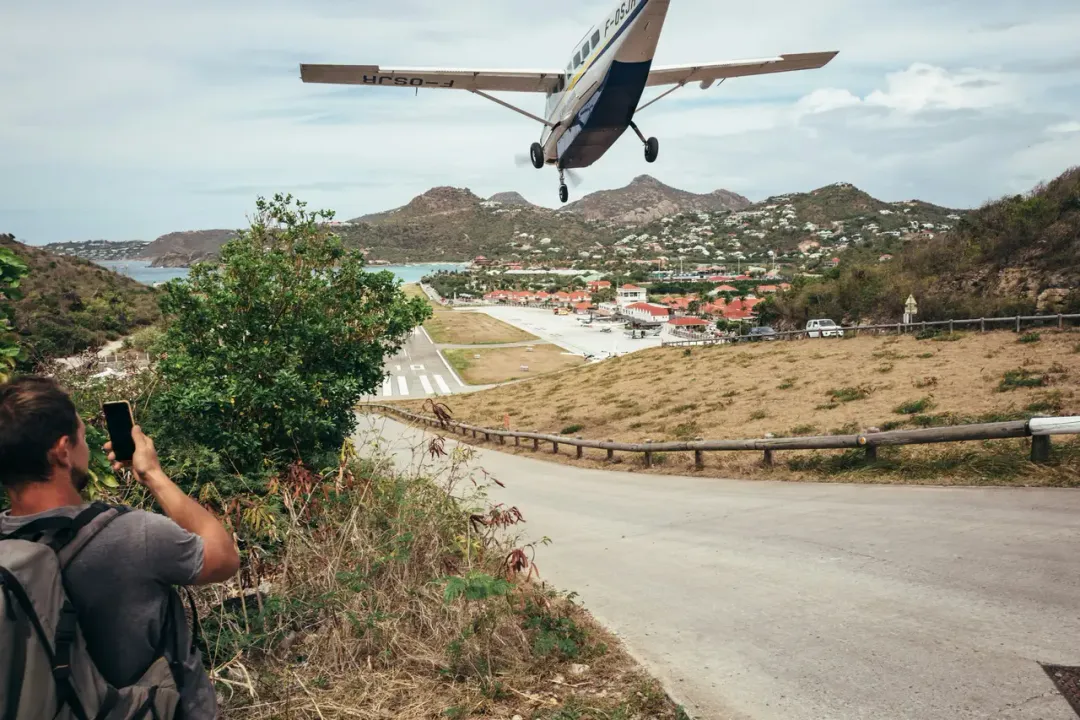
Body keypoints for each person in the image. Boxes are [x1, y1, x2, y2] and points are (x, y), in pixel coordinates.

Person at [0, 375, 240, 719]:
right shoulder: (132, 535)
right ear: (63, 451)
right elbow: (225, 558)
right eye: (82, 437)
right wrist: (153, 475)